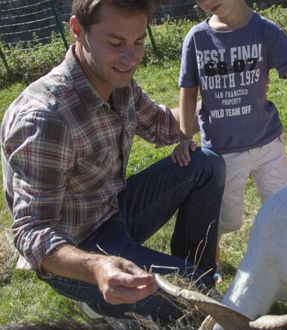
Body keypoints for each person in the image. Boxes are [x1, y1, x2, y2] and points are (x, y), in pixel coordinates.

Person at [0, 0, 225, 324]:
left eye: (138, 42)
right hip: (76, 248)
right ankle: (113, 296)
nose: (131, 58)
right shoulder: (46, 118)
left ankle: (197, 279)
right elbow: (32, 233)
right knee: (195, 298)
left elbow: (164, 127)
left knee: (206, 164)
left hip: (111, 210)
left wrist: (227, 99)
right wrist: (96, 268)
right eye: (116, 43)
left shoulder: (116, 83)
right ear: (78, 30)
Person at [172, 0, 287, 282]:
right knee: (223, 217)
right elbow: (188, 90)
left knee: (285, 208)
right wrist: (185, 137)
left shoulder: (266, 31)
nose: (206, 1)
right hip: (221, 152)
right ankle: (211, 264)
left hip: (268, 144)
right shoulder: (196, 38)